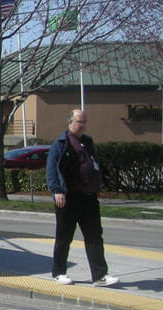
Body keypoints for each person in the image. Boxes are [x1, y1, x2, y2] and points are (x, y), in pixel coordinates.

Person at [45, 109, 118, 287]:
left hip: (88, 198)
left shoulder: (87, 142)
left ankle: (100, 275)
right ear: (70, 122)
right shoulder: (60, 144)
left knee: (94, 236)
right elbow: (51, 170)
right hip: (68, 197)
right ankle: (59, 272)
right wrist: (56, 191)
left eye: (85, 121)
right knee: (64, 237)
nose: (83, 125)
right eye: (79, 122)